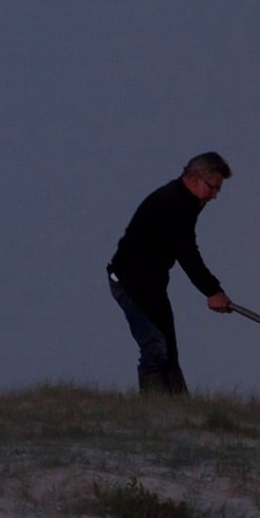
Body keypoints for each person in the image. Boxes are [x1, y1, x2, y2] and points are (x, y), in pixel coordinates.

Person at [107, 152, 232, 395]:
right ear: (195, 179)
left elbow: (185, 248)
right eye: (213, 188)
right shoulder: (173, 203)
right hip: (129, 282)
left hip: (152, 284)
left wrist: (214, 290)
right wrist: (213, 291)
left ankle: (180, 410)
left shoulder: (189, 201)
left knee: (168, 350)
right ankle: (155, 413)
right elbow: (187, 254)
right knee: (155, 347)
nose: (215, 196)